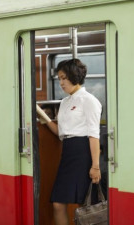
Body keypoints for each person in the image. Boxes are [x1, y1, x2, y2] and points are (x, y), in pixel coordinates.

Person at [36, 58, 102, 225]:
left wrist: (95, 166)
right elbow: (61, 133)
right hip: (67, 152)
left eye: (64, 78)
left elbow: (94, 134)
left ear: (74, 76)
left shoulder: (89, 101)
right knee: (58, 203)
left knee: (85, 204)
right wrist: (44, 118)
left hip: (83, 153)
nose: (61, 83)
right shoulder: (64, 102)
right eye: (59, 78)